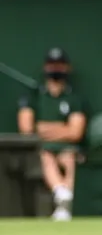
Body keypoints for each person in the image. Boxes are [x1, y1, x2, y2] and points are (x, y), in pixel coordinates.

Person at [17, 48, 87, 221]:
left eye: (60, 65)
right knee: (45, 156)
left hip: (67, 149)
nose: (56, 69)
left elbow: (75, 132)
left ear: (67, 68)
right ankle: (61, 192)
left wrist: (43, 128)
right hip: (41, 148)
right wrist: (63, 129)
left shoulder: (74, 99)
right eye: (52, 65)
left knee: (69, 158)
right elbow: (27, 129)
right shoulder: (33, 95)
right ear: (45, 67)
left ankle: (64, 206)